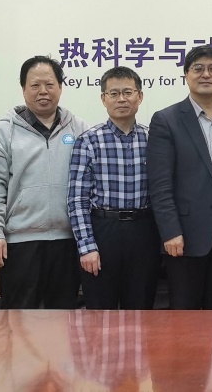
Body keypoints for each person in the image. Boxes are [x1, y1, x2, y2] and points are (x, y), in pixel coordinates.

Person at [147, 45, 212, 310]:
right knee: (186, 312)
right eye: (198, 69)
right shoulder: (166, 120)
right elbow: (160, 184)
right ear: (186, 74)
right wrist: (171, 231)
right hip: (186, 230)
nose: (206, 74)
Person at [0, 56, 90, 309]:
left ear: (60, 87)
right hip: (20, 242)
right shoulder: (4, 131)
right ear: (23, 89)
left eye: (50, 84)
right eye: (35, 85)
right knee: (19, 319)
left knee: (63, 320)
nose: (43, 91)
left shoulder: (79, 129)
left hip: (67, 241)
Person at [68, 66, 159, 310]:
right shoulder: (88, 141)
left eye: (128, 92)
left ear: (140, 96)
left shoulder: (153, 139)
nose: (121, 99)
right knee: (100, 313)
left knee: (141, 310)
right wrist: (87, 247)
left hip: (143, 231)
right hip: (103, 231)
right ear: (103, 98)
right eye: (114, 93)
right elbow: (77, 199)